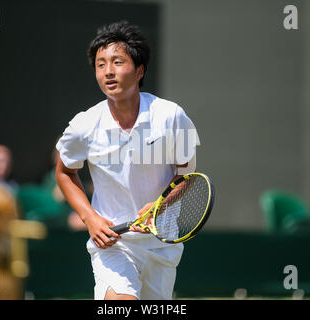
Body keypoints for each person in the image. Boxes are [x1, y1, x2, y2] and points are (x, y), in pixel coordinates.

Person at [55, 21, 200, 300]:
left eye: (117, 62)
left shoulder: (171, 117)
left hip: (161, 245)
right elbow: (64, 172)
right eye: (100, 64)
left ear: (139, 70)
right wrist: (90, 218)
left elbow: (187, 175)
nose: (108, 71)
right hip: (114, 246)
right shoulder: (84, 125)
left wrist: (161, 204)